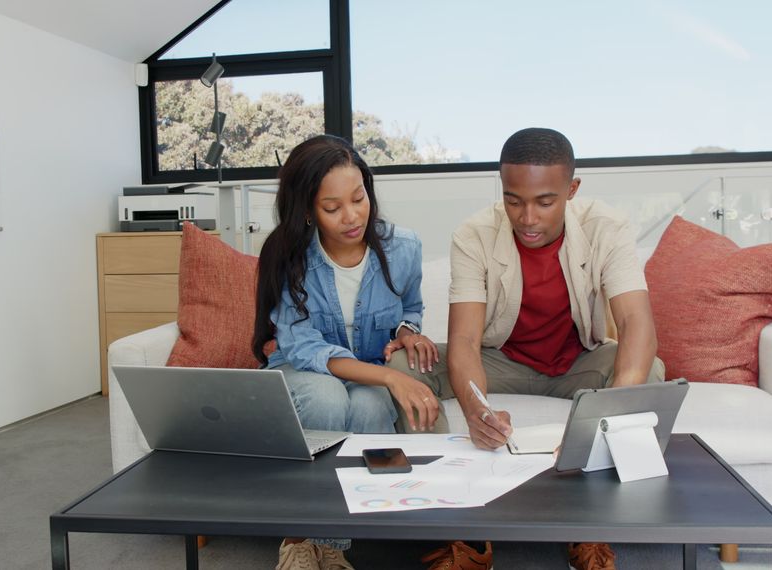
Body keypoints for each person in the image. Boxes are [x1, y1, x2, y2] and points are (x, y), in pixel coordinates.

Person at [389, 128, 665, 570]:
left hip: (578, 363)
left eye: (544, 201)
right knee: (405, 365)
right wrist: (478, 409)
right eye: (513, 199)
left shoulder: (606, 227)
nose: (527, 218)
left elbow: (637, 324)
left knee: (645, 370)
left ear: (572, 190)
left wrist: (607, 416)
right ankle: (461, 533)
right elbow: (463, 340)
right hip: (504, 360)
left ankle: (590, 529)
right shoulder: (474, 234)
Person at [252, 134, 441, 570]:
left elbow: (410, 306)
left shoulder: (403, 247)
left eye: (359, 199)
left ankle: (332, 541)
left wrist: (408, 330)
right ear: (306, 209)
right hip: (302, 371)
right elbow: (303, 346)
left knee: (373, 407)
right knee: (326, 396)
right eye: (332, 208)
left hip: (367, 371)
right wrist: (394, 376)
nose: (352, 216)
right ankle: (300, 538)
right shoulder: (287, 255)